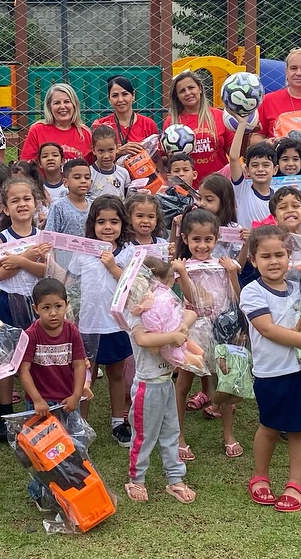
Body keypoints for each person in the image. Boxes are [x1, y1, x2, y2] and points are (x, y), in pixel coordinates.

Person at [241, 225, 301, 513]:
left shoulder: (300, 291)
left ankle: (295, 483)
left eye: (280, 254)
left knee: (299, 430)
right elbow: (267, 330)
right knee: (269, 426)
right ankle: (260, 476)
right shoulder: (252, 292)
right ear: (253, 260)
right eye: (265, 256)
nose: (274, 261)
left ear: (289, 256)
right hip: (270, 373)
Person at [124, 265, 198, 504]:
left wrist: (182, 327)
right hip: (148, 385)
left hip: (166, 383)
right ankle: (137, 479)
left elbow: (191, 312)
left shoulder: (165, 305)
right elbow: (143, 339)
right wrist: (172, 337)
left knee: (171, 433)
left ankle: (175, 478)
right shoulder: (135, 313)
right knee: (144, 435)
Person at [172, 208, 242, 459]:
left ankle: (228, 434)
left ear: (217, 239)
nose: (202, 245)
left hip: (221, 329)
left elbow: (237, 297)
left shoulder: (223, 265)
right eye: (196, 240)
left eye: (208, 240)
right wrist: (181, 272)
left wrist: (232, 272)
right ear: (186, 239)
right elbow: (192, 299)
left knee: (225, 379)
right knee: (184, 382)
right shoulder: (184, 267)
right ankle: (179, 435)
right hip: (194, 330)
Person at [68, 196, 136, 446]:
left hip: (116, 324)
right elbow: (71, 282)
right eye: (101, 222)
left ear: (122, 224)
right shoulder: (84, 251)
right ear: (92, 224)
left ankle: (118, 421)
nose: (108, 227)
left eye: (114, 221)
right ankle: (81, 425)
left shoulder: (129, 252)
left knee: (116, 373)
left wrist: (113, 266)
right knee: (84, 375)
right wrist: (71, 315)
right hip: (87, 324)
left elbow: (133, 286)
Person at [0, 176, 51, 442]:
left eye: (27, 199)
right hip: (8, 302)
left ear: (36, 204)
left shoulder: (43, 237)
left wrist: (18, 261)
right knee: (8, 359)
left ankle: (35, 408)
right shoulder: (0, 238)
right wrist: (28, 256)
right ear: (5, 208)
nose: (22, 204)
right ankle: (5, 412)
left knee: (35, 357)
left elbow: (47, 271)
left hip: (37, 303)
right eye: (15, 200)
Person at [17, 278, 88, 449]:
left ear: (66, 304)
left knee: (73, 446)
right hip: (40, 403)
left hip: (67, 400)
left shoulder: (72, 332)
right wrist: (37, 400)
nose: (53, 313)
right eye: (46, 308)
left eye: (58, 306)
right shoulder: (30, 335)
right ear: (36, 309)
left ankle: (73, 476)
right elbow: (23, 371)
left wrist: (76, 396)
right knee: (42, 449)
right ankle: (43, 477)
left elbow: (80, 365)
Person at [164, 70, 232, 181]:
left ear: (200, 89)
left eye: (191, 88)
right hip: (188, 186)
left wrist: (246, 131)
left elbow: (235, 153)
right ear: (177, 96)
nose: (187, 93)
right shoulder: (172, 122)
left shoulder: (220, 116)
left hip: (219, 184)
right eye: (182, 91)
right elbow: (165, 158)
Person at [19, 83, 92, 163]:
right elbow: (26, 165)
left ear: (74, 105)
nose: (62, 106)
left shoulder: (85, 133)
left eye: (67, 102)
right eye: (57, 103)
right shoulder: (37, 130)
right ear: (49, 107)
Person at [92, 75, 160, 156]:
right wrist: (118, 151)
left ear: (133, 95)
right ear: (109, 99)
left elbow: (157, 156)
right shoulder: (101, 126)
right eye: (115, 95)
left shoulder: (148, 124)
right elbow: (95, 157)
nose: (120, 100)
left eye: (125, 94)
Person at [228, 118, 277, 229]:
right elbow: (234, 157)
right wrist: (242, 124)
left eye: (265, 165)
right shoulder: (242, 190)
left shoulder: (279, 197)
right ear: (247, 169)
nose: (260, 169)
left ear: (275, 169)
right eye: (255, 165)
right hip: (247, 246)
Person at [44, 159, 91, 241]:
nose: (83, 181)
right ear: (65, 182)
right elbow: (49, 236)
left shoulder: (94, 205)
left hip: (88, 253)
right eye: (77, 177)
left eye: (87, 177)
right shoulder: (58, 207)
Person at [88, 126, 131, 198]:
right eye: (101, 151)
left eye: (110, 150)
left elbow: (128, 197)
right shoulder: (89, 173)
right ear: (93, 150)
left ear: (117, 148)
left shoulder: (123, 172)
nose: (106, 156)